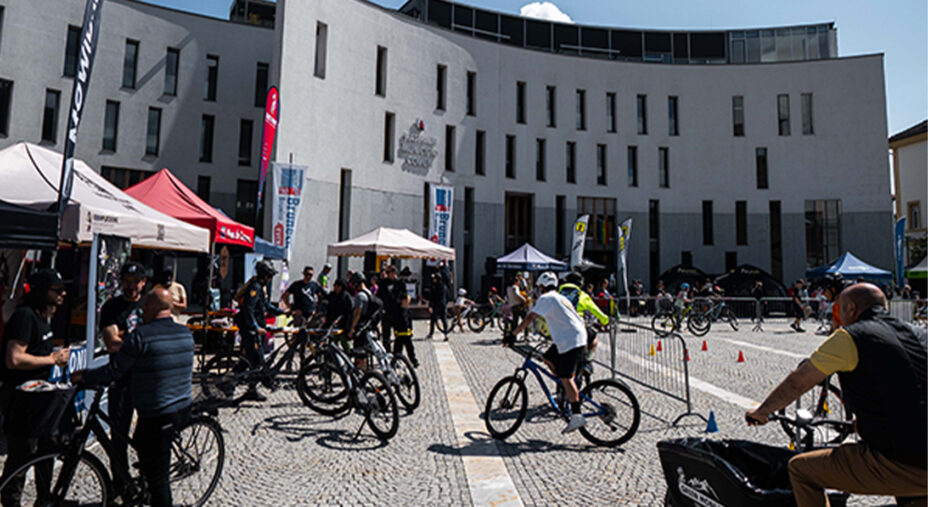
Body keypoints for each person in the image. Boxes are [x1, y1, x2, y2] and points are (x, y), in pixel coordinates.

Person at [746, 283, 927, 506]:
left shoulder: (851, 337)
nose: (837, 315)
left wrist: (762, 411)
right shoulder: (920, 334)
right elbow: (907, 390)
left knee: (801, 470)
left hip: (904, 462)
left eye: (838, 309)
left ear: (851, 308)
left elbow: (798, 382)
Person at [73, 288, 194, 507]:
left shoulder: (141, 336)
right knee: (141, 442)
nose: (142, 310)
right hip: (182, 406)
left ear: (152, 307)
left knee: (159, 483)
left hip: (158, 413)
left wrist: (84, 376)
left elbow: (114, 371)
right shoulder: (185, 333)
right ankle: (143, 478)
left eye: (145, 305)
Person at [0, 269, 70, 506]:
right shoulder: (25, 316)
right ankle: (10, 501)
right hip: (21, 399)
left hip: (39, 396)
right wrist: (52, 359)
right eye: (57, 290)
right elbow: (14, 359)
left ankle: (44, 499)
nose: (63, 294)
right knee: (22, 455)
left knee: (46, 450)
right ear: (41, 291)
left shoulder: (43, 317)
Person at [508, 271, 588, 434]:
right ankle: (565, 386)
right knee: (547, 357)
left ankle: (577, 415)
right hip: (571, 337)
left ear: (542, 287)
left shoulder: (547, 298)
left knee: (566, 377)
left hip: (571, 340)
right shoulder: (560, 297)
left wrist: (512, 334)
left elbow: (530, 317)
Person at [100, 261, 149, 492]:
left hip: (147, 378)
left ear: (143, 282)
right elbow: (111, 343)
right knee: (118, 434)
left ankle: (148, 478)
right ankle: (120, 484)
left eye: (135, 282)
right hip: (120, 378)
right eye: (127, 282)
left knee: (147, 434)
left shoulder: (149, 304)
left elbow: (155, 338)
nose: (131, 286)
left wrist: (124, 337)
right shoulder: (111, 307)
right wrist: (140, 343)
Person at [233, 260, 283, 402]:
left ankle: (249, 388)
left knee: (251, 360)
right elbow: (248, 309)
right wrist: (255, 327)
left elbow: (265, 305)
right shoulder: (255, 287)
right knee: (253, 359)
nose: (271, 279)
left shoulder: (260, 287)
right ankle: (233, 383)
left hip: (258, 327)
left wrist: (282, 312)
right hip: (251, 329)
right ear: (265, 275)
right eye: (270, 276)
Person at [558, 271, 609, 368]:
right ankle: (587, 361)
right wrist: (605, 320)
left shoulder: (558, 295)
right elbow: (597, 312)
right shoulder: (583, 296)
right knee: (594, 339)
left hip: (560, 330)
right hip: (577, 328)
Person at [346, 273, 382, 369]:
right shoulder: (369, 293)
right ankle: (365, 369)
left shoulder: (360, 296)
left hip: (361, 326)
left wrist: (352, 328)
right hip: (368, 325)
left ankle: (361, 370)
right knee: (364, 351)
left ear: (356, 283)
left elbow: (358, 313)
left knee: (359, 351)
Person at [384, 267, 417, 367]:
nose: (387, 275)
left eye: (389, 272)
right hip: (388, 313)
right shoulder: (384, 283)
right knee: (388, 337)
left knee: (404, 340)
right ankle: (391, 358)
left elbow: (405, 296)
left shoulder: (400, 283)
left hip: (399, 314)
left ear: (394, 273)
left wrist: (404, 304)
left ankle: (411, 360)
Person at [427, 272, 449, 340]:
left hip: (436, 305)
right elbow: (447, 296)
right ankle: (446, 334)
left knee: (433, 320)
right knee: (444, 320)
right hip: (443, 305)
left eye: (434, 278)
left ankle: (431, 333)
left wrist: (430, 306)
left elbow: (432, 297)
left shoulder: (434, 286)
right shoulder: (444, 286)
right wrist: (445, 303)